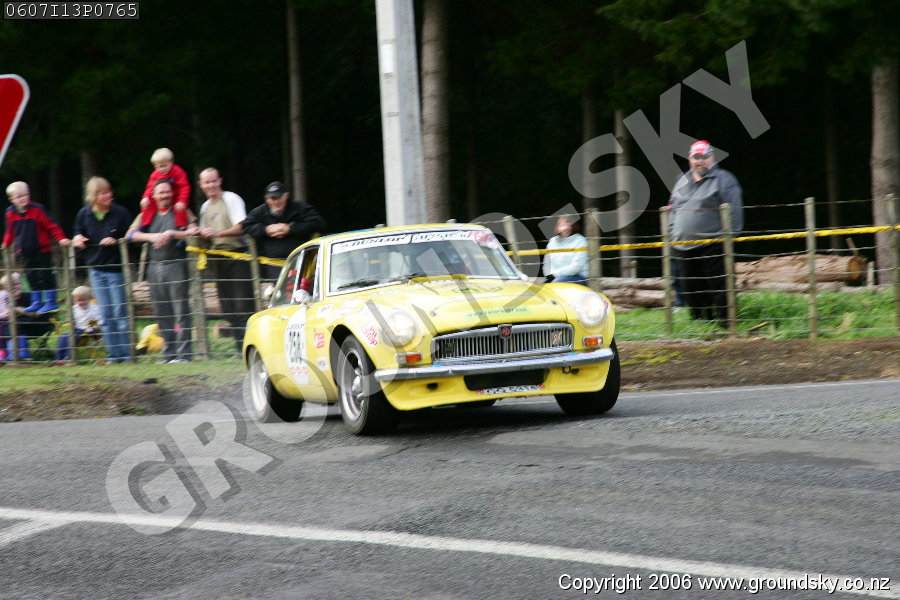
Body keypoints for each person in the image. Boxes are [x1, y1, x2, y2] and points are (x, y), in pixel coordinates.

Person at [668, 140, 743, 325]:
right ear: (690, 159)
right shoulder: (681, 180)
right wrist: (672, 234)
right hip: (682, 245)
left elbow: (735, 211)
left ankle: (726, 324)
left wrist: (729, 238)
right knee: (691, 288)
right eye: (696, 157)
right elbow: (672, 208)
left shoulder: (724, 179)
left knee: (720, 286)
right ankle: (701, 324)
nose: (700, 161)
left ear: (712, 157)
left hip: (713, 243)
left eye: (704, 157)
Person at [127, 180, 198, 363]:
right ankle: (169, 354)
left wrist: (171, 233)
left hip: (177, 264)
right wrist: (152, 237)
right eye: (161, 192)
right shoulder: (146, 213)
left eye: (167, 192)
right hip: (154, 266)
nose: (165, 195)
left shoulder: (182, 211)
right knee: (162, 311)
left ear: (172, 193)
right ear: (153, 195)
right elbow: (131, 234)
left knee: (181, 310)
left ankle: (184, 355)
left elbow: (194, 232)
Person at [71, 177, 134, 363]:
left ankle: (127, 354)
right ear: (93, 196)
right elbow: (77, 231)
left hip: (116, 270)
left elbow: (131, 236)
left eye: (109, 192)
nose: (108, 196)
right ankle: (113, 355)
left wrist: (117, 241)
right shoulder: (84, 214)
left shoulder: (120, 213)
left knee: (120, 312)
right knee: (105, 314)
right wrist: (78, 238)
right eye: (103, 193)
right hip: (95, 270)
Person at [196, 167, 256, 352]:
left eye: (213, 181)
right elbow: (205, 235)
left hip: (237, 256)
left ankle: (253, 346)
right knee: (228, 306)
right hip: (217, 259)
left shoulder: (231, 199)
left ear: (220, 181)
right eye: (207, 182)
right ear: (201, 185)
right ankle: (240, 349)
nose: (211, 185)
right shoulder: (205, 207)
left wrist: (218, 233)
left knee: (244, 304)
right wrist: (201, 233)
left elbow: (242, 227)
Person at [2, 181, 71, 314]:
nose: (23, 198)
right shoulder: (10, 213)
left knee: (45, 274)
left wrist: (61, 238)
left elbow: (52, 225)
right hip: (24, 251)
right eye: (19, 196)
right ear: (11, 199)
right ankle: (36, 302)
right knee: (30, 276)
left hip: (42, 250)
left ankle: (51, 301)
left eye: (25, 195)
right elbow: (9, 231)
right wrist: (6, 243)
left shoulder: (37, 209)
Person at [236, 181, 326, 280]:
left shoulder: (300, 208)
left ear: (286, 196)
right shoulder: (259, 212)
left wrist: (290, 228)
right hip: (272, 262)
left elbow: (319, 223)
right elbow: (246, 227)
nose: (276, 201)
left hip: (301, 259)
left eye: (279, 197)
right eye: (272, 198)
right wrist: (266, 230)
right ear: (266, 199)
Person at [0, 272, 54, 360]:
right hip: (15, 327)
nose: (14, 287)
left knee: (14, 323)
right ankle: (8, 353)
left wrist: (17, 309)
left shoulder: (29, 296)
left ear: (21, 284)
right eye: (11, 285)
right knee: (6, 324)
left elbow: (37, 313)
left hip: (36, 325)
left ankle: (19, 353)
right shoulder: (5, 299)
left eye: (17, 284)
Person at [138, 147, 191, 229]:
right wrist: (145, 197)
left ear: (171, 162)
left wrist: (182, 201)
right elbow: (149, 188)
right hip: (161, 197)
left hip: (177, 196)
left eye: (164, 166)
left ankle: (182, 226)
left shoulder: (178, 172)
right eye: (158, 167)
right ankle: (145, 224)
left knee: (180, 208)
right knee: (147, 204)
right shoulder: (155, 174)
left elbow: (184, 187)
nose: (162, 169)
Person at [54, 286, 103, 362]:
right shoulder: (75, 308)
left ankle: (69, 358)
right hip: (77, 330)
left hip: (90, 332)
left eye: (84, 300)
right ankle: (58, 359)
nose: (81, 302)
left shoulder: (94, 308)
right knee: (63, 337)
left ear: (89, 298)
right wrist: (69, 320)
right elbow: (70, 320)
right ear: (75, 300)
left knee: (71, 338)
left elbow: (100, 320)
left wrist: (94, 326)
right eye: (79, 300)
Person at [543, 214, 589, 286]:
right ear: (557, 226)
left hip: (578, 277)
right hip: (555, 277)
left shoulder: (581, 241)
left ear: (573, 226)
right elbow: (546, 263)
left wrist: (555, 275)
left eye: (568, 224)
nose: (565, 228)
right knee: (540, 286)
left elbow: (577, 266)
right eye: (562, 225)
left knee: (556, 283)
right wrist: (548, 275)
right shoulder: (552, 242)